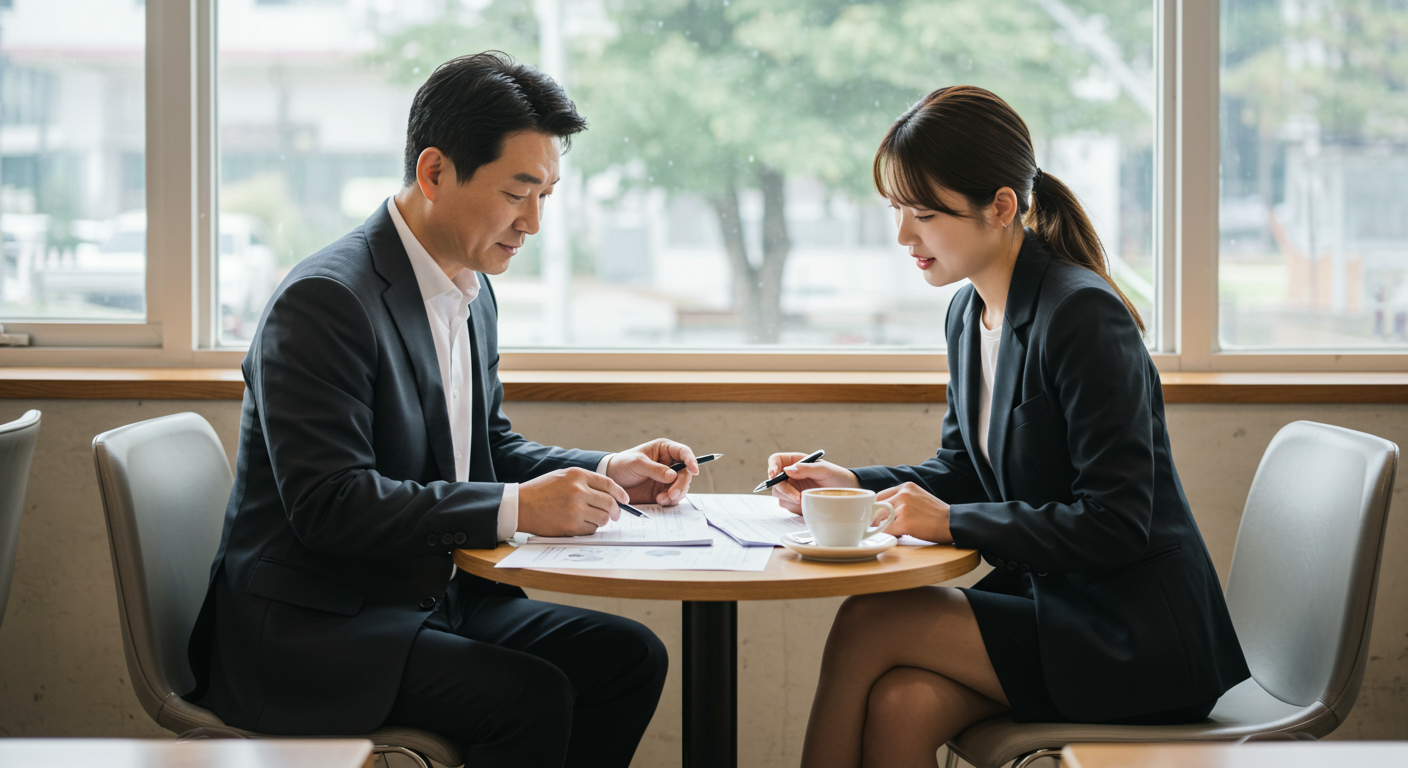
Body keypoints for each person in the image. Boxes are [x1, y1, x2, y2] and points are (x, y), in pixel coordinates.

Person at [186, 52, 695, 768]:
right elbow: (330, 504)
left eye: (546, 194)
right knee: (531, 696)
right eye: (519, 193)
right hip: (314, 629)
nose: (535, 223)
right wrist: (517, 507)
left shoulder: (470, 287)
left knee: (626, 658)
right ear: (434, 173)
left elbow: (484, 447)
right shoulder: (326, 301)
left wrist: (608, 470)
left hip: (431, 599)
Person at [768, 86, 1250, 768]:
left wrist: (955, 524)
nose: (904, 235)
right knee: (903, 702)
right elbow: (963, 471)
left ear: (1000, 207)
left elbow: (1115, 522)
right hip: (1054, 608)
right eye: (898, 212)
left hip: (1135, 639)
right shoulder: (969, 316)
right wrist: (849, 483)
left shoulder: (1082, 315)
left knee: (870, 617)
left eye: (924, 213)